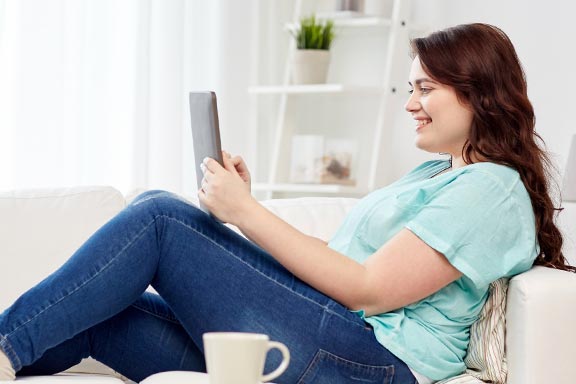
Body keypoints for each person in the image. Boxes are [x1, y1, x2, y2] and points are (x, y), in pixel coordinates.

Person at [0, 23, 574, 384]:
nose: (411, 104)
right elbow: (345, 260)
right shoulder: (436, 173)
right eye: (409, 89)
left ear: (479, 92)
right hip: (330, 335)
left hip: (370, 363)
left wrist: (244, 213)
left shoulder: (491, 189)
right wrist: (248, 210)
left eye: (425, 88)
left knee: (160, 217)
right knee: (98, 318)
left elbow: (368, 287)